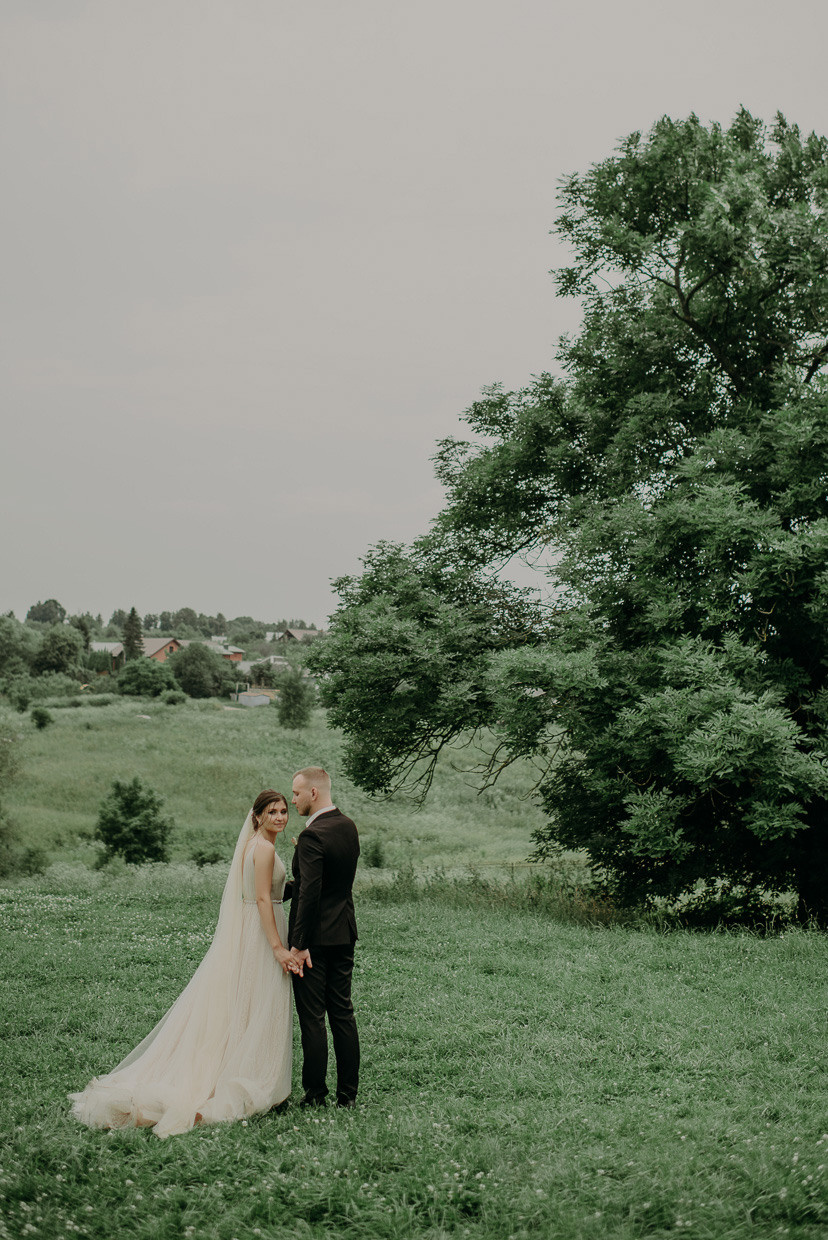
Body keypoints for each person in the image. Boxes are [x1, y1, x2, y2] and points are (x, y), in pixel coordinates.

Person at [69, 790, 296, 1138]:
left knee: (245, 1000)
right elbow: (264, 898)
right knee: (259, 1000)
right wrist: (278, 947)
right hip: (263, 932)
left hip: (251, 928)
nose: (280, 817)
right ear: (257, 816)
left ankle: (234, 1063)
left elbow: (266, 891)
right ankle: (248, 1075)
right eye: (272, 812)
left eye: (283, 811)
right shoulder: (264, 848)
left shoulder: (253, 846)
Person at [289, 766, 360, 1108]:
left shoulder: (312, 835)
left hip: (314, 939)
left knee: (313, 1016)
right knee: (342, 1012)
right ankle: (348, 1095)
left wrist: (299, 944)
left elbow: (312, 893)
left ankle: (315, 1094)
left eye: (297, 793)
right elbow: (330, 883)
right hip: (344, 931)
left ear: (313, 793)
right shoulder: (347, 826)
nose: (293, 800)